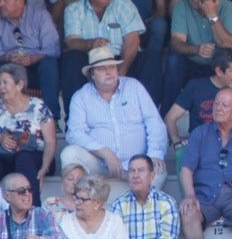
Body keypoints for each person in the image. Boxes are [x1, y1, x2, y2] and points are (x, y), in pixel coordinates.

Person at [59, 45, 167, 188]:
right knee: (68, 154)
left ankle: (140, 208)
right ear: (92, 74)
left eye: (112, 67)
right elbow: (74, 133)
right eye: (102, 69)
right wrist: (105, 152)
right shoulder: (81, 97)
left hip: (136, 165)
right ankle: (80, 204)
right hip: (101, 164)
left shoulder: (134, 87)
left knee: (159, 171)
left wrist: (154, 154)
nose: (109, 72)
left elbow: (154, 122)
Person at [179, 87, 232, 238]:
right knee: (188, 212)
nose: (218, 108)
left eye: (225, 105)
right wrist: (190, 195)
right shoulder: (199, 133)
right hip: (205, 197)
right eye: (216, 104)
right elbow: (186, 170)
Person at [59, 0, 144, 118]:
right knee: (71, 59)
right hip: (91, 61)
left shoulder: (123, 3)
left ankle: (148, 115)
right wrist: (90, 44)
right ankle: (74, 119)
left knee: (152, 59)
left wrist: (121, 71)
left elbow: (133, 39)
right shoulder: (73, 10)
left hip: (120, 58)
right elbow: (72, 42)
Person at [163, 0, 232, 112]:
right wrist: (196, 49)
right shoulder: (182, 7)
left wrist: (212, 15)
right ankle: (166, 115)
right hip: (192, 63)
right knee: (174, 60)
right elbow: (176, 42)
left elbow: (229, 45)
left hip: (218, 67)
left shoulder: (229, 8)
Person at [165, 47, 232, 151]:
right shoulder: (196, 86)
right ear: (219, 71)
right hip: (200, 146)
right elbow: (170, 117)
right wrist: (177, 143)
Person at [0, 0, 61, 121]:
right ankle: (4, 118)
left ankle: (51, 118)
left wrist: (33, 58)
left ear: (20, 2)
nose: (0, 3)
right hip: (9, 67)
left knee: (49, 64)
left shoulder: (40, 16)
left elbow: (53, 48)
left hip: (36, 66)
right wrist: (7, 57)